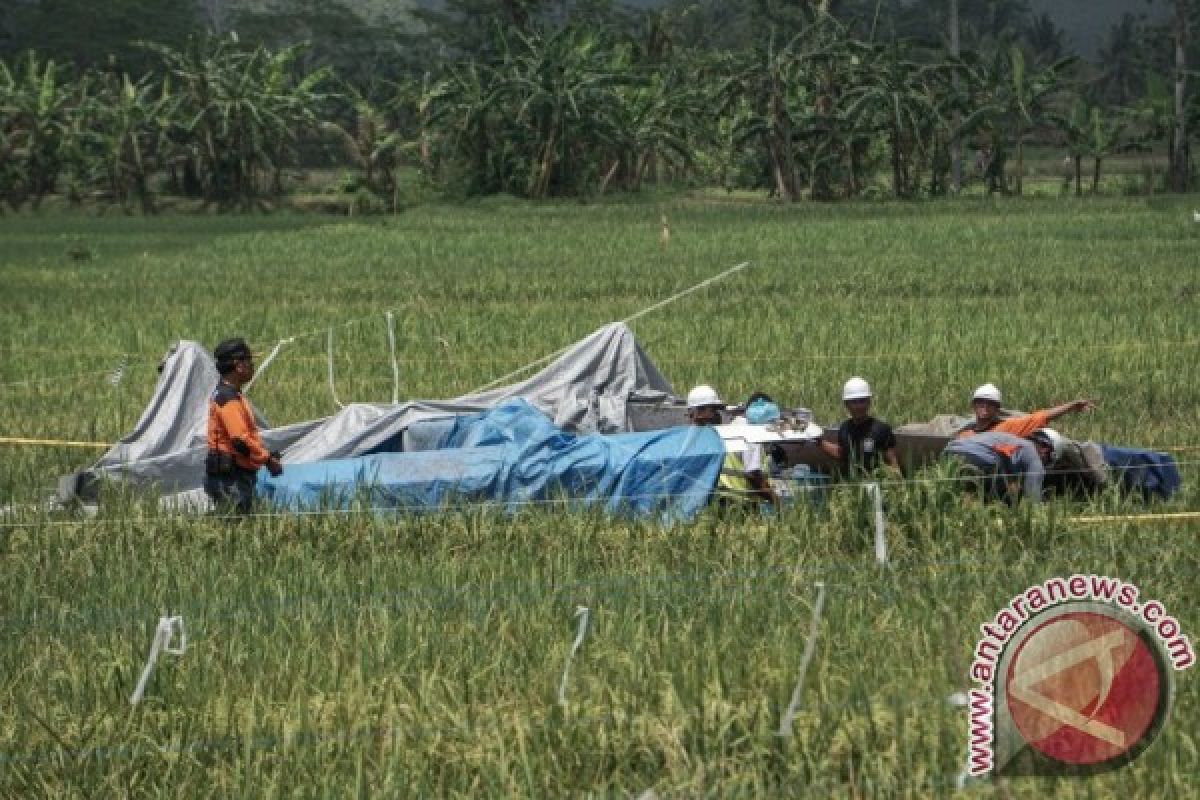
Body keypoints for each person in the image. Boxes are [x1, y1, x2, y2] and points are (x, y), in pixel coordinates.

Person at [205, 338, 283, 513]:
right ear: (238, 365)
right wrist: (268, 459)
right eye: (249, 361)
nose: (252, 366)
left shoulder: (231, 395)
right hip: (231, 480)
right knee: (235, 523)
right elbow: (240, 440)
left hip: (233, 476)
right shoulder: (228, 399)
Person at [686, 384, 777, 508]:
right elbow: (753, 475)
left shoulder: (717, 434)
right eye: (714, 410)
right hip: (742, 502)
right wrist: (775, 501)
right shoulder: (748, 433)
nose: (716, 415)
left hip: (717, 499)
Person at [817, 377, 899, 477]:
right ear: (846, 404)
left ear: (869, 402)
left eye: (862, 401)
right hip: (851, 483)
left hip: (874, 484)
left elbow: (893, 462)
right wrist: (818, 442)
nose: (858, 406)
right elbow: (842, 454)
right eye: (854, 402)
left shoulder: (881, 429)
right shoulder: (844, 428)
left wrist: (897, 484)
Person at [957, 383, 1096, 440]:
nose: (985, 406)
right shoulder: (964, 434)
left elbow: (1042, 416)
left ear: (997, 409)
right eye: (980, 402)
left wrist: (1071, 405)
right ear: (974, 405)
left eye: (991, 403)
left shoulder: (1007, 427)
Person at [942, 431, 1047, 505]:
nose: (1043, 459)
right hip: (978, 456)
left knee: (968, 490)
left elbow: (1006, 473)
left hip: (949, 455)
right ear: (1045, 449)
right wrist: (1038, 507)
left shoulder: (1010, 441)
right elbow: (1032, 493)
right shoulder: (1029, 447)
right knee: (1011, 493)